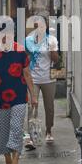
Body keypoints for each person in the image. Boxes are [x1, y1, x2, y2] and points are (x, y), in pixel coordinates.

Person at [0, 22, 37, 164]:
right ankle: (7, 161)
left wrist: (33, 95)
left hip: (19, 95)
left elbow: (27, 74)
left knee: (16, 127)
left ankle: (15, 163)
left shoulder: (20, 50)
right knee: (2, 130)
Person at [25, 15, 59, 147]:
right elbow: (25, 58)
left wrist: (52, 49)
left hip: (48, 78)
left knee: (49, 106)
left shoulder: (52, 40)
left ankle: (49, 131)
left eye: (42, 25)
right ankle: (31, 136)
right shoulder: (28, 40)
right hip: (33, 78)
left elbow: (56, 59)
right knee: (32, 106)